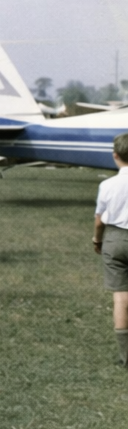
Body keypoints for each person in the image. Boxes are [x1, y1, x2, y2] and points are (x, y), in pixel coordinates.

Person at [92, 133, 128, 368]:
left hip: (115, 239)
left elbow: (99, 220)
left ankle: (126, 357)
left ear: (115, 155)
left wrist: (97, 240)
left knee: (121, 298)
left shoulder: (107, 185)